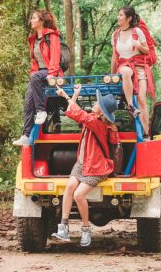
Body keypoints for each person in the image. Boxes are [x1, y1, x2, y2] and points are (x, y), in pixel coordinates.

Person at [51, 84, 119, 246]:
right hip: (83, 163)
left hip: (96, 166)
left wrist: (68, 96)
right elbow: (75, 113)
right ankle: (63, 228)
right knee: (69, 188)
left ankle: (86, 229)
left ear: (101, 112)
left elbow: (75, 113)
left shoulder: (98, 124)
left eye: (97, 104)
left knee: (78, 195)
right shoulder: (92, 119)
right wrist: (72, 95)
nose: (95, 104)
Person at [13, 9, 62, 146]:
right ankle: (26, 135)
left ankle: (41, 111)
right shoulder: (33, 39)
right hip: (37, 73)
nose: (31, 21)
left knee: (35, 78)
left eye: (34, 18)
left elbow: (55, 56)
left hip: (51, 72)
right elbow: (34, 61)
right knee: (28, 101)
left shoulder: (52, 36)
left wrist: (51, 73)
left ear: (41, 21)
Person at [110, 6, 154, 140]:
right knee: (125, 71)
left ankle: (146, 132)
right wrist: (112, 76)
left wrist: (138, 45)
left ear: (129, 18)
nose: (118, 17)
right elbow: (114, 57)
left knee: (141, 99)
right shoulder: (115, 34)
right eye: (118, 15)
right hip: (124, 65)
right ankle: (130, 105)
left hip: (139, 66)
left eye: (121, 15)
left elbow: (147, 50)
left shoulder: (137, 31)